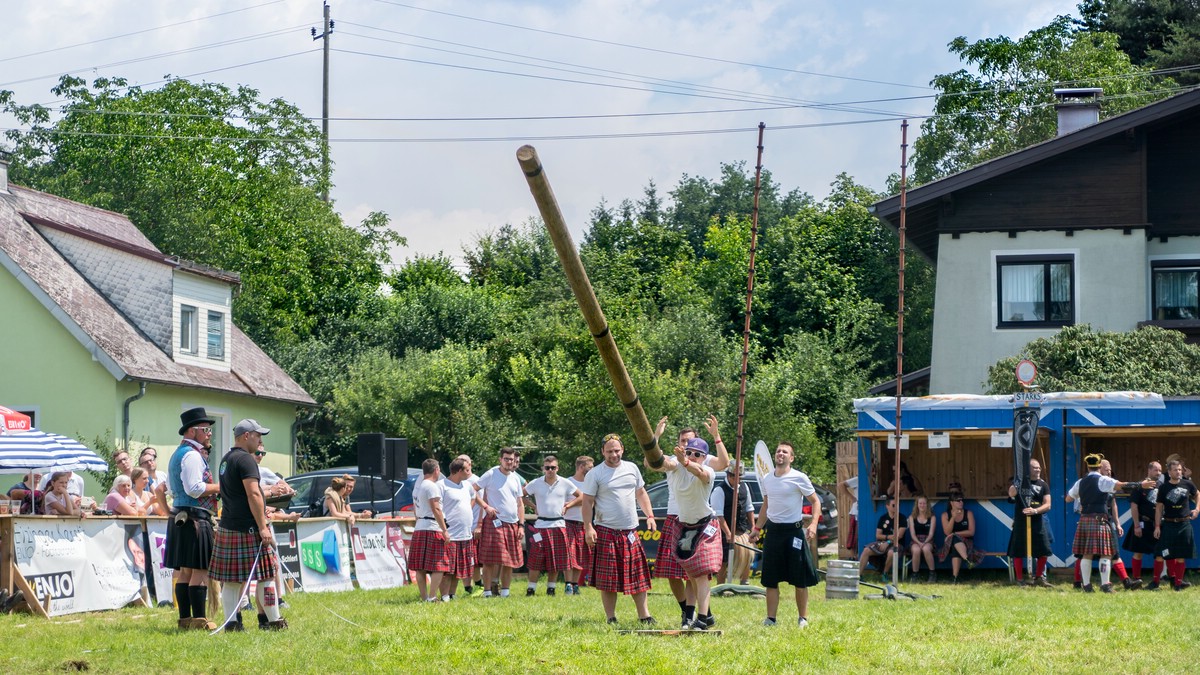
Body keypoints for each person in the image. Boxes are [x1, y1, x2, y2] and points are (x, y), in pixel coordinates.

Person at [210, 419, 286, 631]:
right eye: (258, 435)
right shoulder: (246, 460)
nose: (260, 440)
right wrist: (262, 526)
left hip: (229, 525)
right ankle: (273, 621)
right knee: (267, 576)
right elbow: (253, 493)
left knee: (232, 580)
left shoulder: (226, 459)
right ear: (246, 436)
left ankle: (232, 623)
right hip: (248, 527)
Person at [581, 433, 657, 625]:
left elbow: (641, 492)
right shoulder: (595, 474)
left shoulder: (632, 468)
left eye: (616, 450)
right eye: (609, 451)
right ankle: (610, 617)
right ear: (602, 452)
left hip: (630, 531)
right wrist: (588, 527)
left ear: (622, 449)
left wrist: (650, 516)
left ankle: (644, 616)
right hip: (606, 530)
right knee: (608, 580)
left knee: (638, 577)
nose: (613, 454)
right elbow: (587, 502)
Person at [751, 441, 821, 628]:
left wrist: (813, 524)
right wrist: (757, 529)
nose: (780, 453)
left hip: (794, 533)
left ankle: (803, 619)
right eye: (778, 451)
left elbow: (815, 502)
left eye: (785, 452)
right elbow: (766, 506)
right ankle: (771, 619)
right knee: (771, 578)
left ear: (791, 458)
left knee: (799, 578)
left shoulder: (799, 477)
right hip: (773, 532)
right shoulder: (767, 479)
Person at [165, 407, 221, 631]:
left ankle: (184, 620)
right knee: (199, 570)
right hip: (196, 518)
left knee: (186, 572)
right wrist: (220, 487)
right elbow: (195, 488)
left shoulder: (178, 454)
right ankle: (199, 620)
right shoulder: (192, 455)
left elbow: (170, 488)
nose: (209, 433)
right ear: (191, 431)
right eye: (205, 429)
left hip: (182, 516)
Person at [1067, 453, 1155, 593]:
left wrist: (1084, 499)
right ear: (1099, 466)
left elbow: (1068, 499)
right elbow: (1122, 485)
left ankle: (1087, 586)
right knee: (1106, 555)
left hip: (1085, 520)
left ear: (1088, 466)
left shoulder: (1080, 482)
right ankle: (1105, 585)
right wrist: (1140, 485)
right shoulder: (1103, 480)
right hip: (1099, 520)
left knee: (1086, 554)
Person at [662, 437, 721, 630]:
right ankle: (708, 615)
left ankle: (702, 620)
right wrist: (652, 440)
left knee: (701, 574)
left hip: (706, 525)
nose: (692, 457)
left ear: (704, 457)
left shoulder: (708, 471)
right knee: (692, 574)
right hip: (685, 525)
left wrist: (685, 461)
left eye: (697, 454)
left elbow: (699, 473)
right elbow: (656, 463)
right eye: (689, 452)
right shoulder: (676, 467)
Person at [522, 454, 581, 596]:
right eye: (547, 468)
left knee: (555, 560)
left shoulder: (565, 482)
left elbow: (582, 496)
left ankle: (551, 588)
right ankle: (531, 589)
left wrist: (569, 505)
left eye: (553, 468)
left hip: (559, 524)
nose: (550, 470)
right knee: (536, 559)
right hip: (540, 524)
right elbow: (521, 496)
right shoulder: (536, 483)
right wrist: (533, 506)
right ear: (543, 468)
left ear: (557, 468)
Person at [475, 447, 525, 598]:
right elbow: (473, 490)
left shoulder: (515, 478)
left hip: (512, 523)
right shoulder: (491, 473)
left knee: (509, 560)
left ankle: (505, 592)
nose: (509, 462)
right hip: (494, 521)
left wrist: (521, 525)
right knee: (489, 560)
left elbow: (520, 504)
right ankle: (488, 592)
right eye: (506, 459)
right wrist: (486, 506)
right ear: (500, 460)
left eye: (511, 459)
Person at [1007, 459, 1052, 586]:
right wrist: (1019, 480)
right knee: (1018, 550)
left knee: (1044, 550)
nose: (1038, 470)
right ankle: (1020, 579)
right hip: (1021, 521)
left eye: (1039, 468)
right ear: (1028, 469)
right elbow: (1011, 494)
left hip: (1038, 521)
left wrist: (1035, 511)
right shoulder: (1020, 483)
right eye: (1035, 468)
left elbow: (1048, 505)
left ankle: (1039, 578)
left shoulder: (1043, 484)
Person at [1154, 459, 1198, 591]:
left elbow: (1197, 494)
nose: (1178, 472)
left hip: (1184, 523)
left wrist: (1197, 509)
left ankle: (1178, 584)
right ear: (1169, 472)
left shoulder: (1188, 483)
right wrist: (1157, 526)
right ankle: (1159, 581)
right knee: (1164, 553)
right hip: (1168, 523)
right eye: (1175, 470)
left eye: (1180, 469)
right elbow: (1159, 507)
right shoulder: (1163, 487)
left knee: (1181, 555)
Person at [410, 459, 450, 602]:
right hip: (432, 528)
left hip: (420, 526)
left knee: (420, 566)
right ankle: (432, 597)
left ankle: (424, 597)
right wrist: (444, 530)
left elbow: (415, 508)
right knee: (439, 565)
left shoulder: (419, 486)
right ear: (437, 470)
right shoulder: (432, 486)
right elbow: (436, 508)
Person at [439, 457, 476, 601]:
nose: (469, 472)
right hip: (451, 534)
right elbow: (436, 507)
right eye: (467, 469)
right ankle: (444, 596)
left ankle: (452, 594)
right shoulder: (442, 485)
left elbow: (474, 496)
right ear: (459, 471)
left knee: (458, 570)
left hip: (465, 533)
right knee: (447, 569)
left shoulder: (467, 485)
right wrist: (444, 528)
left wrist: (467, 509)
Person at [710, 461, 754, 586]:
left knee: (747, 556)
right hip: (724, 532)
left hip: (742, 531)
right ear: (730, 476)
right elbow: (719, 515)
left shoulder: (745, 487)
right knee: (724, 560)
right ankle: (721, 584)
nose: (739, 479)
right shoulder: (719, 490)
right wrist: (728, 534)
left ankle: (744, 582)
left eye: (740, 477)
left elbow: (749, 509)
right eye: (736, 477)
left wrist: (753, 528)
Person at [1124, 461, 1163, 586]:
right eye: (1156, 470)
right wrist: (1136, 525)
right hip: (1142, 523)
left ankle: (1156, 581)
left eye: (1160, 470)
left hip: (1157, 524)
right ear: (1149, 471)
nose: (1158, 473)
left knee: (1159, 553)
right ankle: (1137, 579)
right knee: (1138, 552)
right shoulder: (1140, 486)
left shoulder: (1161, 485)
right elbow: (1134, 507)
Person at [564, 455, 594, 594]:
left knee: (581, 555)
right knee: (569, 555)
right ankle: (568, 584)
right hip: (568, 522)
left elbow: (590, 502)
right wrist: (581, 501)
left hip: (583, 523)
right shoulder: (568, 482)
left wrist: (572, 503)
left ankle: (575, 584)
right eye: (590, 467)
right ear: (581, 467)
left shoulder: (590, 483)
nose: (592, 470)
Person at [859, 496, 905, 581]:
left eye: (898, 505)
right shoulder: (883, 518)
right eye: (894, 505)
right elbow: (878, 535)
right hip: (881, 543)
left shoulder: (902, 518)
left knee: (892, 552)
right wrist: (887, 537)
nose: (896, 507)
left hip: (897, 544)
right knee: (866, 550)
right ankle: (859, 575)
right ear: (887, 506)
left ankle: (885, 574)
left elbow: (899, 536)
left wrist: (887, 541)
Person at [938, 495, 983, 582]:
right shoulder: (945, 515)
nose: (961, 502)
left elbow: (971, 532)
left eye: (962, 500)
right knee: (954, 540)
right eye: (958, 501)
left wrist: (955, 534)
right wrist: (953, 518)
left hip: (967, 542)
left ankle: (955, 578)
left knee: (955, 541)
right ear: (951, 503)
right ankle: (968, 560)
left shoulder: (968, 513)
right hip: (949, 544)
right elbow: (947, 532)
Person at [908, 495, 937, 582]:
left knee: (926, 549)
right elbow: (912, 534)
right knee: (916, 550)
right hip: (915, 540)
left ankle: (932, 574)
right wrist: (919, 543)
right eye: (920, 503)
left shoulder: (932, 517)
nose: (922, 505)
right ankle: (915, 575)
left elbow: (931, 534)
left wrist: (924, 543)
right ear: (917, 505)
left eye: (924, 503)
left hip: (928, 540)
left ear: (927, 505)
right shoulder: (912, 517)